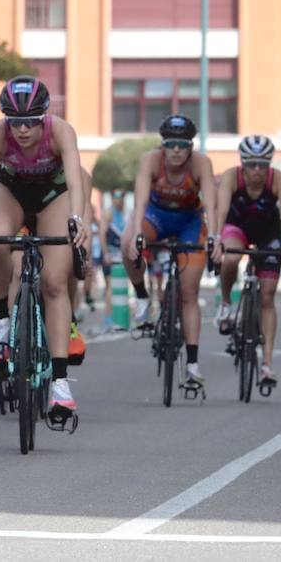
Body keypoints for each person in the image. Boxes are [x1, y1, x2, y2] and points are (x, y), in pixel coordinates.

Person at [0, 77, 89, 422]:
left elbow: (77, 181)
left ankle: (60, 384)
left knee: (53, 282)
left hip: (53, 193)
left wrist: (79, 219)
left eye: (30, 121)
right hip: (12, 190)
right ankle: (1, 318)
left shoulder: (62, 131)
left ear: (44, 117)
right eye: (14, 121)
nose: (22, 129)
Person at [121, 114, 217, 392]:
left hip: (189, 221)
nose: (176, 150)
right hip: (155, 216)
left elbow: (211, 204)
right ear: (163, 145)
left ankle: (193, 366)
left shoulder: (201, 164)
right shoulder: (151, 161)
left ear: (191, 146)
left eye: (182, 144)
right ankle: (141, 297)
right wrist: (137, 233)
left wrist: (215, 237)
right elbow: (139, 200)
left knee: (189, 292)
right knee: (129, 242)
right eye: (171, 144)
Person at [213, 135, 281, 386]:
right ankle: (226, 303)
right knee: (230, 258)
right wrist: (216, 240)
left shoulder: (278, 179)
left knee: (268, 295)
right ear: (242, 163)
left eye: (263, 165)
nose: (257, 170)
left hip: (267, 232)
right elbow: (220, 211)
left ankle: (266, 365)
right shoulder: (232, 176)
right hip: (236, 227)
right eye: (251, 164)